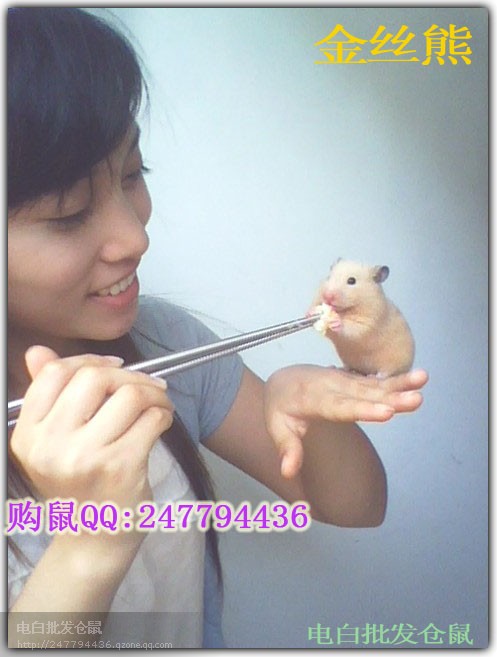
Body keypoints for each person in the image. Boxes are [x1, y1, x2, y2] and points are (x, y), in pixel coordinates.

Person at [7, 7, 428, 649]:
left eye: (132, 175)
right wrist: (91, 544)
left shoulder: (163, 344)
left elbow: (357, 507)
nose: (135, 236)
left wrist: (307, 416)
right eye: (68, 213)